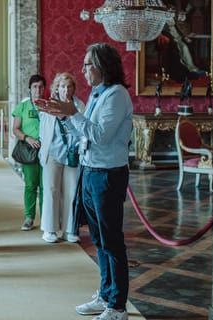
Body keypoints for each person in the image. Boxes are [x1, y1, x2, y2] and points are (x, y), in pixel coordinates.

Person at [39, 43, 133, 320]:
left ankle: (117, 306)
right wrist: (64, 117)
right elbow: (83, 135)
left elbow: (101, 135)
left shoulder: (116, 95)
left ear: (103, 66)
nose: (83, 70)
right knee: (98, 239)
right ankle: (105, 293)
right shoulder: (96, 94)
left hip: (108, 175)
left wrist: (72, 113)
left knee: (111, 240)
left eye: (88, 65)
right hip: (90, 171)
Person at [37, 72, 86, 243]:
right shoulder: (50, 105)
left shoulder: (79, 106)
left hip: (73, 154)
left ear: (73, 88)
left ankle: (70, 229)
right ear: (57, 88)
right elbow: (43, 131)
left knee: (72, 192)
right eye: (62, 86)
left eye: (69, 86)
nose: (66, 89)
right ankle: (49, 229)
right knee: (51, 190)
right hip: (53, 152)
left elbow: (82, 130)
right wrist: (42, 152)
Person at [12, 74, 46, 231]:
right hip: (29, 150)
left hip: (47, 151)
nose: (37, 90)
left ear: (44, 88)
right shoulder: (23, 107)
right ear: (30, 89)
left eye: (40, 86)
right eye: (34, 86)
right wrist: (28, 138)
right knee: (31, 185)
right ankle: (29, 217)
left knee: (46, 186)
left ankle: (46, 218)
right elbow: (15, 129)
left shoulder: (49, 105)